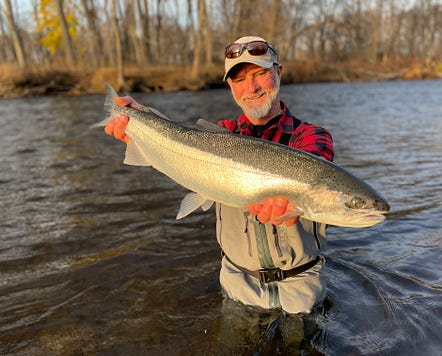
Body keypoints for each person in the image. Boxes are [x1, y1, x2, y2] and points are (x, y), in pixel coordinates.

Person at [104, 36, 334, 315]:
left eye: (260, 74)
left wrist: (296, 200)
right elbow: (177, 134)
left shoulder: (311, 137)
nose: (252, 87)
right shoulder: (221, 134)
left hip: (301, 287)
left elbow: (319, 171)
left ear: (278, 72)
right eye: (239, 80)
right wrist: (141, 120)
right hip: (238, 283)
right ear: (230, 87)